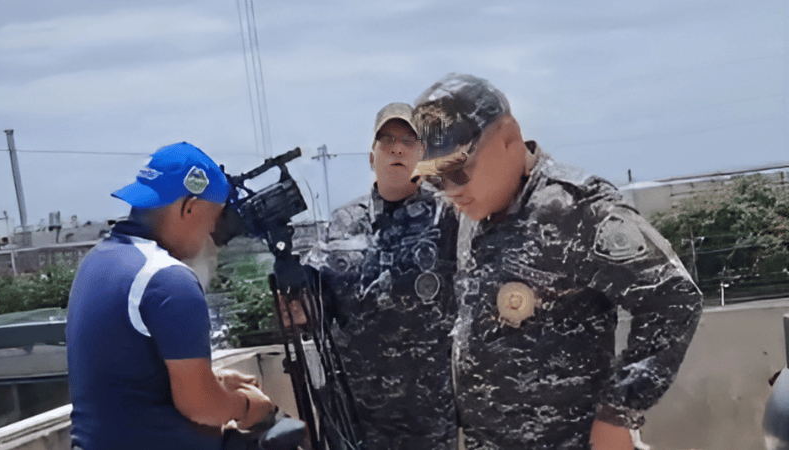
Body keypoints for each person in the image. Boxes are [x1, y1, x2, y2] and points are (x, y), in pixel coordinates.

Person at [410, 74, 703, 450]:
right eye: (437, 180)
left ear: (508, 138)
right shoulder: (476, 217)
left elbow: (673, 298)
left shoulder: (576, 208)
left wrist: (619, 410)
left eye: (459, 171)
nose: (452, 191)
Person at [66, 142, 277, 450]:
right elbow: (200, 405)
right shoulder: (167, 279)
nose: (214, 231)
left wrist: (214, 381)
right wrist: (248, 407)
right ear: (189, 208)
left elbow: (131, 381)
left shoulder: (97, 262)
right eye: (215, 217)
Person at [302, 102, 460, 449]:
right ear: (371, 157)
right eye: (386, 139)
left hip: (426, 417)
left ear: (422, 154)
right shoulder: (343, 221)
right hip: (355, 416)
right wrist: (298, 306)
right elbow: (315, 301)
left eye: (407, 140)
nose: (397, 148)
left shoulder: (447, 218)